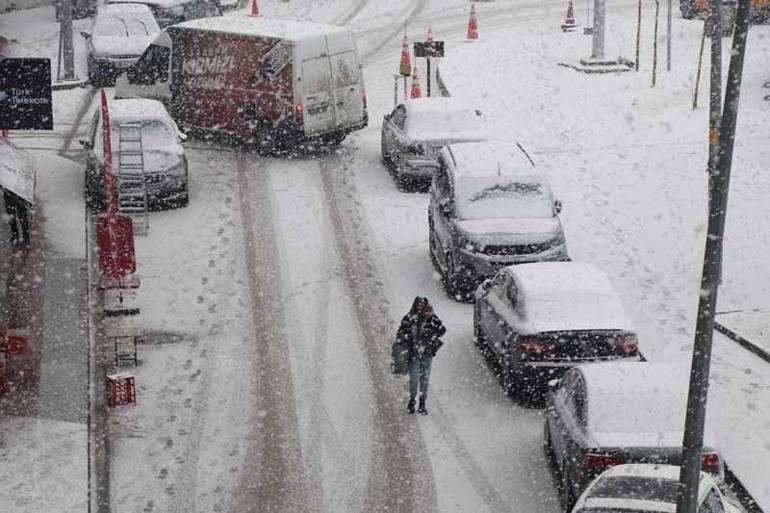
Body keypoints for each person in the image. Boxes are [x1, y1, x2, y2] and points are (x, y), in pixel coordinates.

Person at [396, 296, 446, 415]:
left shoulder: (432, 320)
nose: (420, 308)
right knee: (414, 378)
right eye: (418, 305)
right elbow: (400, 333)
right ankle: (412, 400)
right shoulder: (409, 318)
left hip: (427, 354)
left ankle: (422, 403)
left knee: (424, 379)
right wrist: (406, 341)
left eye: (422, 306)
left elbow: (441, 330)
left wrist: (432, 325)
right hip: (413, 354)